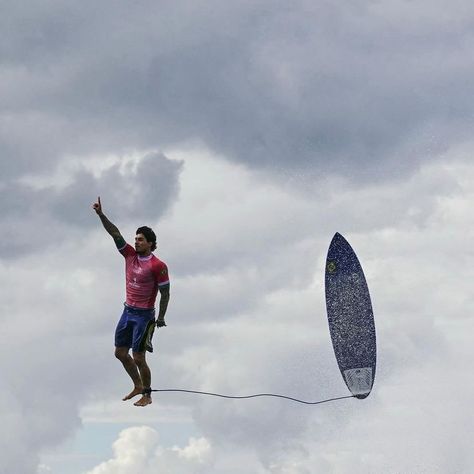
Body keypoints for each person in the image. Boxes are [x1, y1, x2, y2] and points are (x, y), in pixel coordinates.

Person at [92, 196, 170, 407]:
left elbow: (165, 293)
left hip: (144, 316)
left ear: (151, 244)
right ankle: (137, 385)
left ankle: (147, 394)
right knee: (119, 353)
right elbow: (115, 233)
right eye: (135, 239)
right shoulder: (129, 255)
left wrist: (161, 317)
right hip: (128, 312)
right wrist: (101, 215)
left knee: (138, 357)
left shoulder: (158, 265)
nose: (136, 242)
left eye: (141, 239)